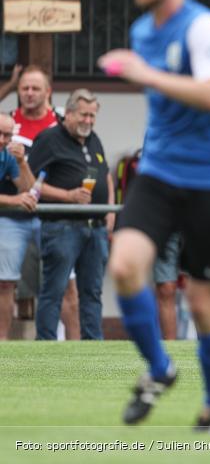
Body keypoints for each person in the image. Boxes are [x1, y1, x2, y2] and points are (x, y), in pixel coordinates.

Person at [98, 0, 210, 433]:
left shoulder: (203, 28)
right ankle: (159, 368)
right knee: (124, 265)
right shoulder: (142, 32)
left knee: (202, 303)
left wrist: (146, 74)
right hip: (159, 171)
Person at [28, 89, 114, 341]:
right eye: (83, 115)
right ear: (69, 113)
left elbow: (105, 174)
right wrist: (68, 196)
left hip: (95, 225)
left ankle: (93, 347)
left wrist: (110, 208)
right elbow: (30, 183)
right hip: (62, 225)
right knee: (53, 291)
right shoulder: (49, 138)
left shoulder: (93, 138)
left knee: (92, 292)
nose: (88, 121)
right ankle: (45, 346)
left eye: (92, 116)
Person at [7, 65, 79, 335]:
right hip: (11, 216)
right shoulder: (7, 123)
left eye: (35, 88)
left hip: (53, 216)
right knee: (5, 284)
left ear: (48, 91)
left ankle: (77, 351)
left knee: (66, 285)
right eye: (24, 87)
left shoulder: (62, 123)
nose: (29, 93)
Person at [0, 111, 37, 339]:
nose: (3, 140)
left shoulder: (7, 156)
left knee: (5, 284)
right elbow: (18, 197)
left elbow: (29, 190)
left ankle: (2, 343)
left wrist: (22, 163)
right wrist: (13, 200)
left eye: (7, 135)